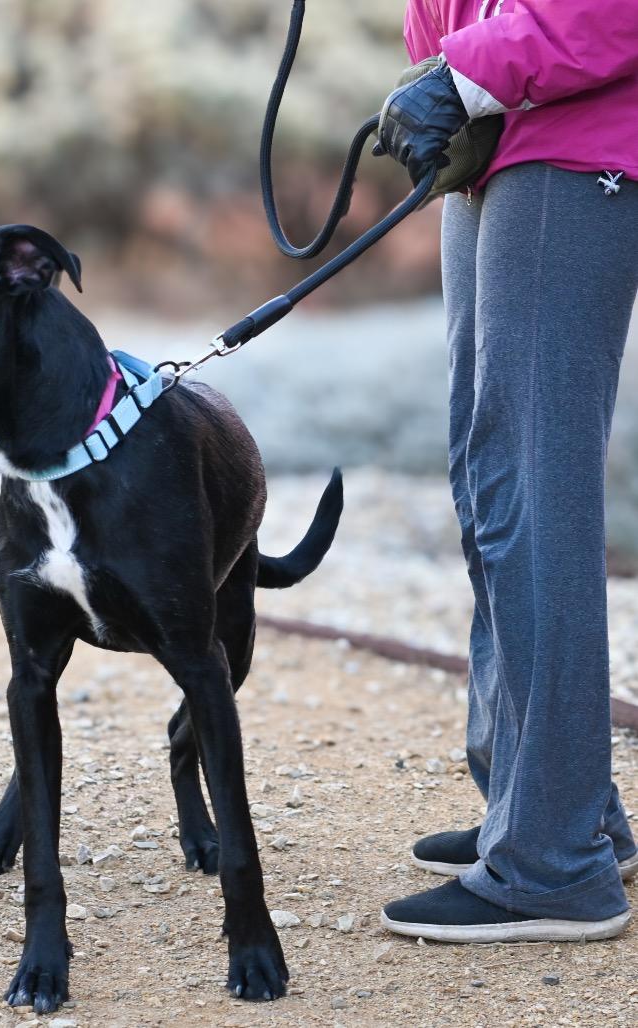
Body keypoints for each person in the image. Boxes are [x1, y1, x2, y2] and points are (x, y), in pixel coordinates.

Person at [372, 1, 638, 942]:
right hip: (500, 137)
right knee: (489, 484)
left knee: (534, 496)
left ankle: (556, 866)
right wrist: (454, 68)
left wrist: (465, 74)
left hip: (575, 144)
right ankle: (555, 809)